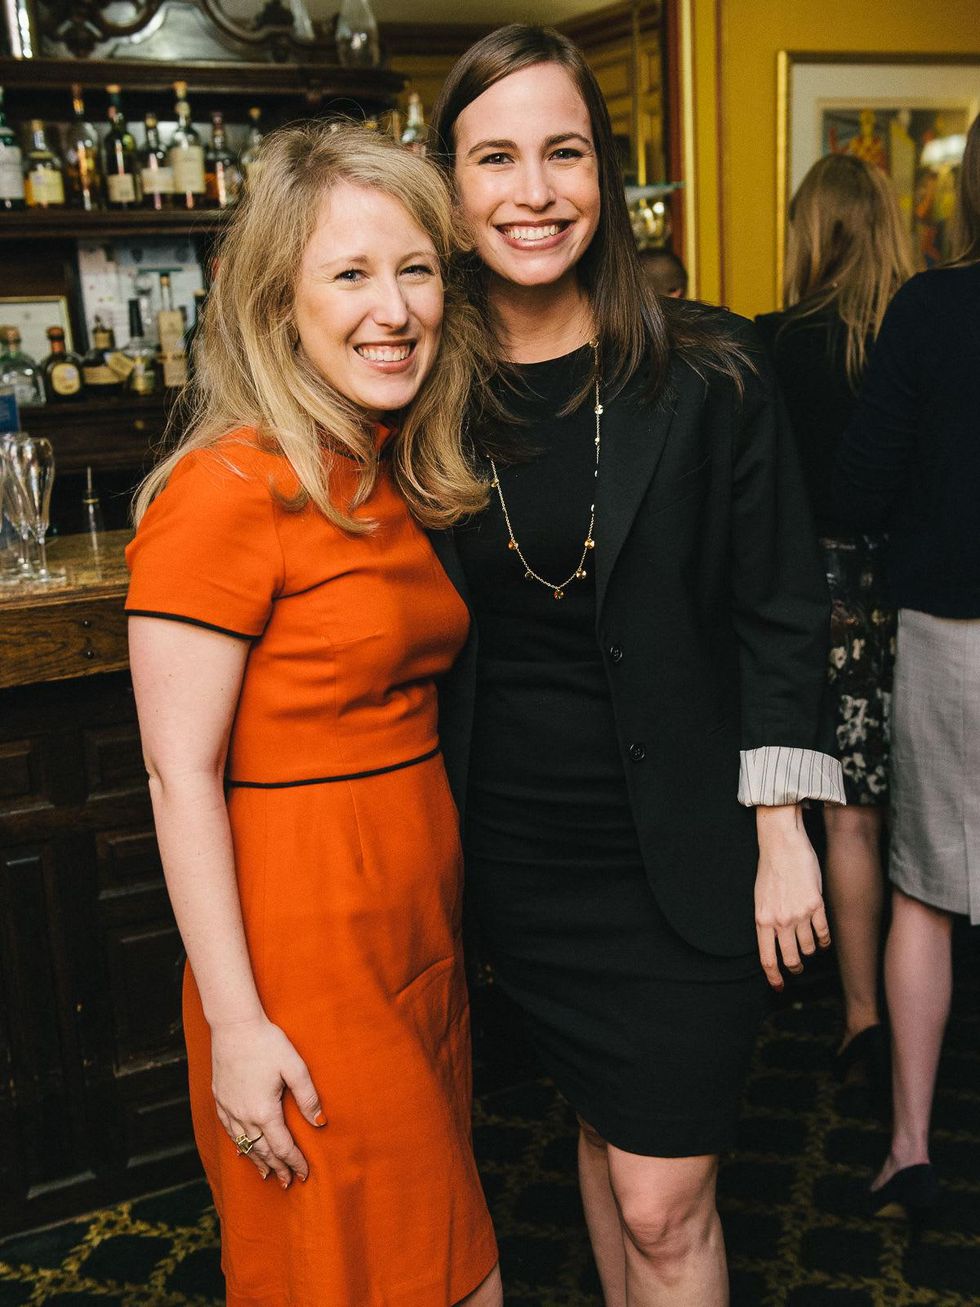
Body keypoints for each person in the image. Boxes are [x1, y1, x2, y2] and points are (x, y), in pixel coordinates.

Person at [429, 26, 844, 1307]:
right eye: (494, 157)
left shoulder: (708, 367)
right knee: (608, 1140)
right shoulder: (418, 382)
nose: (532, 190)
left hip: (680, 849)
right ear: (448, 184)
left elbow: (779, 601)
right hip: (513, 852)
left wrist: (783, 829)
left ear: (606, 176)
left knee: (666, 1200)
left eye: (563, 152)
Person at [125, 123, 501, 1307]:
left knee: (434, 1264)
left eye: (416, 269)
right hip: (303, 959)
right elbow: (177, 772)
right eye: (349, 273)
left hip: (412, 938)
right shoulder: (224, 487)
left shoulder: (381, 466)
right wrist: (237, 1025)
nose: (392, 308)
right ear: (276, 303)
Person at [837, 112, 980, 1225]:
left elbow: (858, 482)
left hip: (951, 631)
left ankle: (909, 1149)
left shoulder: (932, 308)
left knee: (924, 895)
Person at [755, 154, 913, 1097]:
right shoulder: (918, 333)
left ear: (809, 230)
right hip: (914, 592)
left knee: (830, 819)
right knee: (906, 815)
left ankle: (860, 1014)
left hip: (807, 595)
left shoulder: (775, 342)